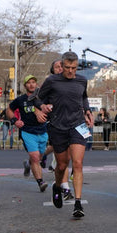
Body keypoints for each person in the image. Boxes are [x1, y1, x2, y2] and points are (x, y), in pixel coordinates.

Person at [37, 52, 93, 218]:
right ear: (62, 66)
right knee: (62, 165)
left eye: (74, 68)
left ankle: (78, 203)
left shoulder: (82, 80)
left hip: (77, 125)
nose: (70, 71)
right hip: (58, 126)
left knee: (77, 163)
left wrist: (88, 110)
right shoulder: (52, 81)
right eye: (67, 68)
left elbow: (83, 97)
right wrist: (43, 107)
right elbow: (37, 99)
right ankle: (57, 186)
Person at [10, 74, 50, 192]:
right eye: (29, 82)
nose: (31, 84)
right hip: (27, 131)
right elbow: (9, 110)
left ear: (36, 84)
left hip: (42, 131)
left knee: (39, 156)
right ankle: (40, 182)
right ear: (25, 85)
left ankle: (28, 163)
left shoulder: (42, 99)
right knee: (35, 157)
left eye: (33, 82)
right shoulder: (20, 99)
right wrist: (15, 121)